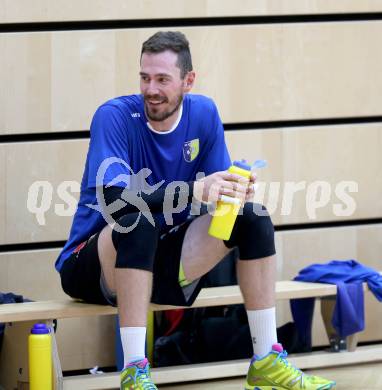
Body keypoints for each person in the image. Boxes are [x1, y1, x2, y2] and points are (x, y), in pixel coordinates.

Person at [55, 31, 335, 390]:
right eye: (144, 77)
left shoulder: (204, 114)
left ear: (188, 81)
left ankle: (265, 360)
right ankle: (134, 373)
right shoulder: (114, 117)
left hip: (159, 262)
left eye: (162, 79)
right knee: (136, 222)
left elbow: (216, 201)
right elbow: (115, 201)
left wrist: (233, 189)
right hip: (92, 263)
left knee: (253, 217)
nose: (150, 89)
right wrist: (194, 190)